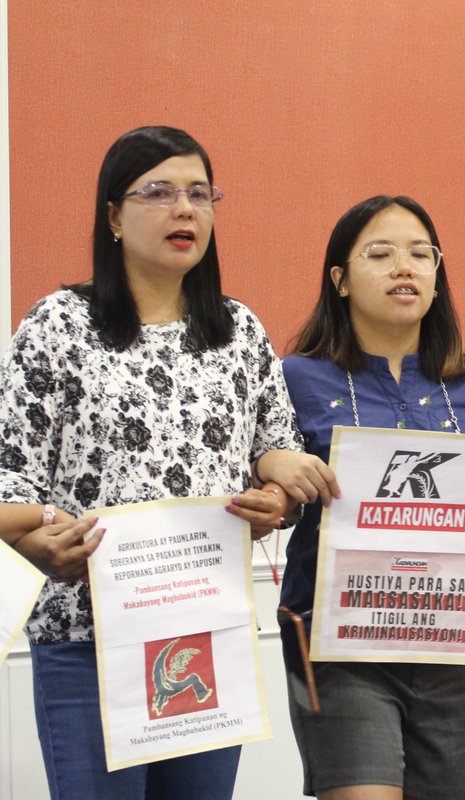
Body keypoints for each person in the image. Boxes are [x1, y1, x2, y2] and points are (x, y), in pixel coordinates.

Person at [0, 125, 301, 800]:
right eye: (159, 192)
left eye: (200, 193)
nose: (185, 210)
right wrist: (41, 539)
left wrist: (275, 502)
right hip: (89, 637)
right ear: (113, 215)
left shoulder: (237, 329)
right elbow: (7, 480)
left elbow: (278, 456)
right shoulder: (57, 326)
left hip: (204, 635)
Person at [263, 194, 465, 800]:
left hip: (446, 640)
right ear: (339, 279)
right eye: (380, 254)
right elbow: (266, 492)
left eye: (420, 254)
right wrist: (279, 479)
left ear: (437, 279)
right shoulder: (294, 379)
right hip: (338, 640)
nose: (404, 267)